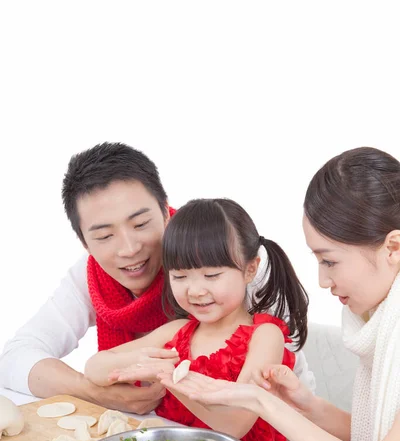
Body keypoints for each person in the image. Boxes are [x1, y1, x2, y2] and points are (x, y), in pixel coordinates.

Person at [0, 142, 314, 419]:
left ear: (166, 213)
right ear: (85, 243)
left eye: (140, 224)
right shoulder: (91, 279)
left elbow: (285, 388)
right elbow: (16, 357)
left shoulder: (229, 262)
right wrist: (94, 391)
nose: (129, 248)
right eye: (105, 235)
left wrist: (171, 376)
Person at [158, 147, 400, 441]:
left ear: (393, 248)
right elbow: (376, 439)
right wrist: (308, 406)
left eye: (329, 261)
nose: (322, 280)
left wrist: (263, 403)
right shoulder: (380, 325)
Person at [84, 198, 309, 441]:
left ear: (250, 269)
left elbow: (234, 424)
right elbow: (94, 368)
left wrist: (172, 378)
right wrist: (141, 360)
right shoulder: (176, 332)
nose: (195, 290)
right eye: (179, 276)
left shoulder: (265, 337)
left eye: (211, 276)